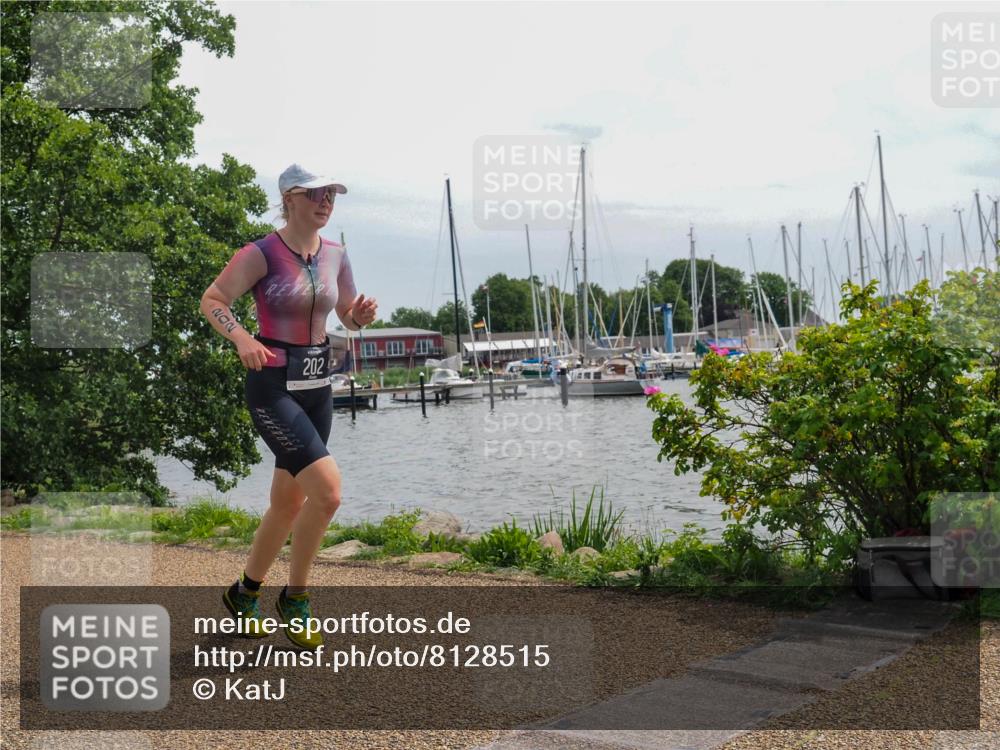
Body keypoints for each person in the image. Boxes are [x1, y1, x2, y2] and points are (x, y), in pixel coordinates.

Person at [200, 164, 377, 649]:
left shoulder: (336, 254)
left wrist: (357, 318)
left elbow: (344, 316)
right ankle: (295, 598)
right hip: (273, 385)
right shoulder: (262, 253)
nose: (327, 201)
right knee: (329, 494)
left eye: (333, 194)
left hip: (318, 385)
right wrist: (239, 338)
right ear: (291, 197)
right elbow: (213, 299)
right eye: (317, 193)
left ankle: (243, 593)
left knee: (288, 502)